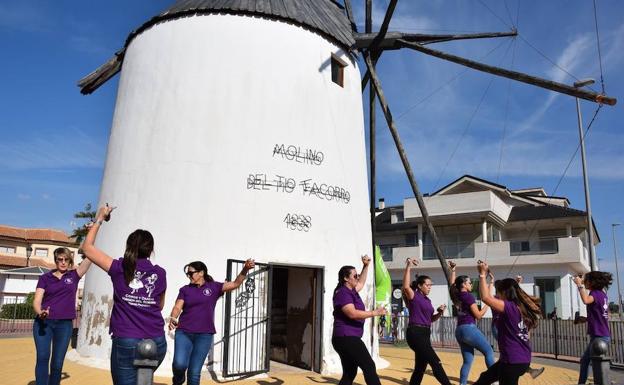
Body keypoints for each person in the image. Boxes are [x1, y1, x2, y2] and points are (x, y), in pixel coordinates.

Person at [82, 205, 167, 385]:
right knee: (142, 382)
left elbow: (87, 249)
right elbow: (159, 306)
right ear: (151, 249)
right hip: (157, 341)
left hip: (128, 341)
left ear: (129, 246)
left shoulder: (119, 268)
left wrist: (100, 218)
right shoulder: (160, 273)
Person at [168, 259, 255, 385]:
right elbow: (177, 307)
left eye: (191, 273)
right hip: (184, 332)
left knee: (194, 373)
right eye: (187, 274)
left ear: (201, 273)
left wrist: (245, 269)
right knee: (179, 365)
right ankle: (178, 379)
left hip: (204, 335)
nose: (189, 276)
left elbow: (236, 284)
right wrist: (173, 318)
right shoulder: (185, 290)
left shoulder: (214, 287)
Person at [473, 261, 541, 385]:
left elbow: (485, 298)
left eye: (498, 292)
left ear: (504, 292)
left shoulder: (510, 307)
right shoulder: (522, 309)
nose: (497, 295)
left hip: (512, 361)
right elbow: (527, 334)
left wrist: (482, 274)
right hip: (520, 359)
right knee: (484, 378)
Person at [32, 247, 92, 385]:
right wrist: (40, 312)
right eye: (60, 259)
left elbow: (90, 257)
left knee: (57, 363)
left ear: (70, 261)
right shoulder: (45, 278)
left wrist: (95, 231)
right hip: (44, 323)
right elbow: (37, 301)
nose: (63, 262)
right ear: (56, 260)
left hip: (64, 325)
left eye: (66, 259)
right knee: (42, 357)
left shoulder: (74, 276)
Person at [332, 255, 386, 385]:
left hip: (345, 338)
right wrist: (375, 313)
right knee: (369, 366)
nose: (357, 277)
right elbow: (352, 314)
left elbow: (361, 283)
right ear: (346, 278)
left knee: (350, 373)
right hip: (347, 338)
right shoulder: (343, 293)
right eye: (354, 276)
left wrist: (366, 266)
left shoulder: (351, 291)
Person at [403, 258, 452, 385]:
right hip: (415, 333)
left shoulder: (428, 301)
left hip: (425, 333)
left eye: (431, 285)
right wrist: (408, 266)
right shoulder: (414, 296)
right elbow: (405, 286)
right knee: (436, 362)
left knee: (420, 368)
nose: (430, 287)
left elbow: (431, 319)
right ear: (419, 286)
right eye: (427, 285)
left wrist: (440, 312)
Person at [448, 261, 494, 385]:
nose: (471, 285)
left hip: (459, 331)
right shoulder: (468, 297)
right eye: (469, 282)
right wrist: (488, 305)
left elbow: (452, 285)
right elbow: (478, 316)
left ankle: (462, 384)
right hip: (469, 328)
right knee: (489, 352)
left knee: (468, 361)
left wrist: (453, 270)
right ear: (463, 284)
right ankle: (495, 381)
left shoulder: (456, 295)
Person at [573, 271, 613, 384]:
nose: (584, 282)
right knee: (588, 361)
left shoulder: (595, 294)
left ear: (592, 282)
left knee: (586, 361)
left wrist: (579, 285)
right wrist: (585, 319)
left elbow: (585, 300)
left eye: (586, 280)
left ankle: (584, 383)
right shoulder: (603, 295)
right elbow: (604, 314)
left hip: (599, 336)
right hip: (602, 335)